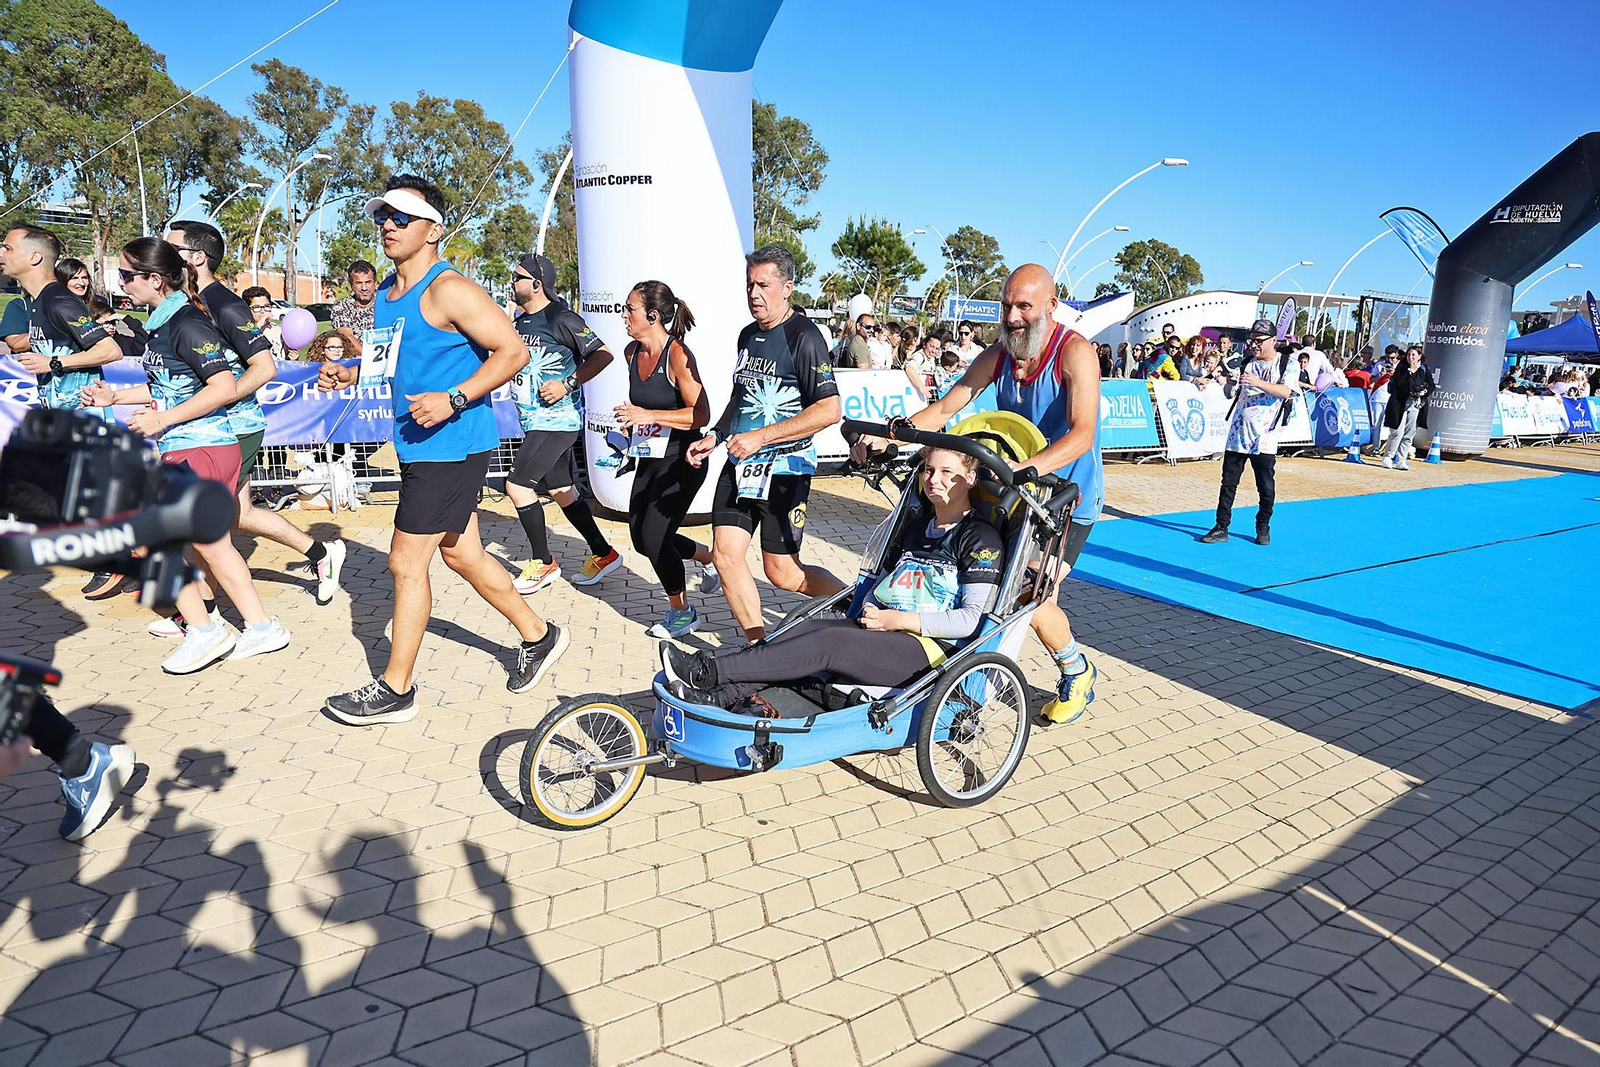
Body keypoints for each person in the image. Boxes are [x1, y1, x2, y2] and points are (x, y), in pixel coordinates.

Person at [314, 175, 566, 724]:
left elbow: (512, 352)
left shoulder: (450, 289)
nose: (388, 225)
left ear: (433, 229)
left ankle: (396, 688)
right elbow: (392, 361)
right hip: (414, 442)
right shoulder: (385, 291)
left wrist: (455, 398)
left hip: (453, 446)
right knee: (462, 552)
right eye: (384, 215)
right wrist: (349, 371)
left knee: (406, 563)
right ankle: (540, 634)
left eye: (402, 218)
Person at [867, 263, 1104, 726]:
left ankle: (1077, 671)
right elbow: (945, 407)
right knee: (991, 584)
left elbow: (1083, 434)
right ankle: (950, 664)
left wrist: (1026, 468)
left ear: (1052, 306)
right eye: (1006, 304)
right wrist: (891, 437)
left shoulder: (1075, 353)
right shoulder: (1000, 353)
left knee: (1028, 596)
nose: (1013, 316)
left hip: (1065, 499)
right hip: (1017, 490)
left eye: (1024, 306)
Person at [82, 237, 291, 671]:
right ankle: (258, 627)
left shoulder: (187, 323)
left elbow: (223, 387)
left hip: (202, 447)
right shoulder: (166, 321)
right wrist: (114, 396)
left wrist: (161, 420)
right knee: (211, 546)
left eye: (126, 275)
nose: (121, 283)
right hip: (194, 447)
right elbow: (169, 385)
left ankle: (207, 631)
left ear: (154, 280)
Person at [660, 447, 1003, 707]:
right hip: (884, 627)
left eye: (947, 472)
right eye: (929, 470)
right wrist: (870, 607)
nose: (933, 479)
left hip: (930, 651)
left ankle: (707, 671)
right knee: (799, 631)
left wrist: (899, 619)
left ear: (970, 479)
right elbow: (882, 580)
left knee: (827, 645)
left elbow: (971, 620)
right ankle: (716, 697)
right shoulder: (915, 527)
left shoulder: (979, 538)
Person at [164, 221, 347, 622]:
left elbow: (263, 368)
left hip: (235, 427)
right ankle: (321, 554)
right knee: (235, 516)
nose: (161, 253)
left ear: (195, 258)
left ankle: (204, 614)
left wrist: (218, 397)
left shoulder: (224, 304)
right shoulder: (190, 301)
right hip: (213, 428)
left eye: (171, 247)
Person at [686, 244, 846, 643]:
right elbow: (740, 396)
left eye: (763, 285)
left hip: (785, 470)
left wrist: (761, 437)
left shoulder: (804, 336)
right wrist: (716, 436)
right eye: (749, 285)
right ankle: (758, 645)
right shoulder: (746, 335)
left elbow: (829, 409)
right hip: (740, 466)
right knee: (725, 556)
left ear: (787, 287)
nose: (754, 294)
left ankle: (852, 602)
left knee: (783, 574)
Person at [502, 252, 621, 595]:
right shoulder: (519, 322)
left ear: (537, 284)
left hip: (557, 420)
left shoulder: (562, 317)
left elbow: (603, 354)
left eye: (518, 276)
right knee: (561, 491)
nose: (512, 281)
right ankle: (604, 552)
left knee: (518, 486)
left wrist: (568, 383)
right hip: (532, 418)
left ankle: (543, 562)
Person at [614, 280, 717, 638]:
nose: (623, 315)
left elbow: (700, 414)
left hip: (683, 459)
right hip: (649, 456)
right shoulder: (631, 352)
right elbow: (643, 411)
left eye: (630, 308)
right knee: (642, 540)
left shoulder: (676, 354)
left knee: (656, 538)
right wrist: (630, 429)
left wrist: (648, 416)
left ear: (653, 315)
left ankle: (682, 612)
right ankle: (706, 556)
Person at [1199, 319, 1300, 547]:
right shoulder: (1247, 362)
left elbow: (1286, 391)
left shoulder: (1286, 363)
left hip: (1264, 436)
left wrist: (1259, 382)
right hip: (1237, 433)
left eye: (1259, 341)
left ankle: (1263, 525)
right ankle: (1221, 526)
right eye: (1251, 340)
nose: (1253, 345)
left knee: (1265, 485)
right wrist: (1223, 380)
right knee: (1228, 483)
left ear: (1273, 340)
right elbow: (1234, 391)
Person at [4, 227, 121, 412]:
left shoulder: (59, 301)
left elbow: (110, 351)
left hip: (84, 421)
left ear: (34, 257)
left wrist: (53, 362)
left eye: (7, 248)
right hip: (59, 419)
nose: (1, 254)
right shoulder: (40, 300)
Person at [1379, 345, 1432, 470]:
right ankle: (1388, 456)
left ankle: (1402, 459)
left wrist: (1424, 391)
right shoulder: (1402, 368)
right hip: (1399, 404)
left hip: (1415, 404)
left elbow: (1431, 385)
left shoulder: (1424, 369)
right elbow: (1399, 383)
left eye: (1413, 355)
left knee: (1409, 433)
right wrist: (1410, 372)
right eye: (1409, 355)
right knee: (1397, 432)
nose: (1411, 357)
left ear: (1419, 356)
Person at [329, 259, 378, 342]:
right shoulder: (341, 307)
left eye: (368, 282)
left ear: (375, 283)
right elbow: (347, 337)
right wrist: (369, 355)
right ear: (351, 285)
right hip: (358, 354)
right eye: (359, 283)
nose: (364, 288)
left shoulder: (385, 304)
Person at [241, 286, 286, 359]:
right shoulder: (243, 331)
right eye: (256, 307)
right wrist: (259, 325)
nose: (263, 311)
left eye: (267, 306)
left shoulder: (279, 331)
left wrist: (292, 358)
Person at [904, 333, 940, 401]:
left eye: (937, 348)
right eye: (931, 346)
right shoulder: (919, 356)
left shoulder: (932, 358)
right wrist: (922, 387)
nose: (934, 351)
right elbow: (909, 368)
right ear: (924, 344)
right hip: (915, 395)